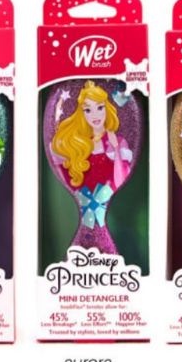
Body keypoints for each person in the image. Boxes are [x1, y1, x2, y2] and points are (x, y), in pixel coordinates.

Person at [51, 81, 132, 245]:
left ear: (107, 108)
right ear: (82, 113)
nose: (95, 115)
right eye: (88, 110)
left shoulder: (118, 143)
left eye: (100, 108)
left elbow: (120, 178)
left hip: (108, 210)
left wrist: (116, 149)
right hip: (82, 208)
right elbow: (64, 171)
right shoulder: (77, 145)